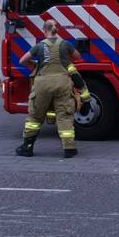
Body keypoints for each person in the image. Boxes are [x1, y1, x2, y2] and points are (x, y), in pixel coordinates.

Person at [14, 19, 90, 158]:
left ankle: (27, 147)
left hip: (42, 84)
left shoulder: (39, 46)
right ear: (57, 30)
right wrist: (64, 61)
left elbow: (22, 60)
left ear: (44, 30)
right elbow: (78, 57)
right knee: (64, 116)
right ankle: (69, 149)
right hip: (62, 83)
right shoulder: (65, 44)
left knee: (35, 117)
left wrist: (35, 65)